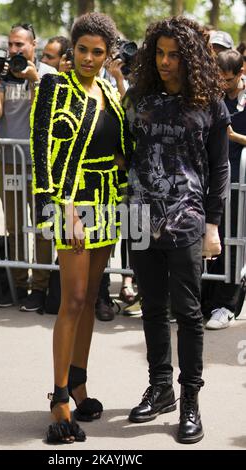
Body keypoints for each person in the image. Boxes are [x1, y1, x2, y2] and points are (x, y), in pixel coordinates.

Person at [124, 16, 230, 444]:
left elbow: (219, 167)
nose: (165, 62)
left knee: (188, 314)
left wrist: (213, 225)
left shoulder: (209, 102)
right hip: (138, 217)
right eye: (160, 53)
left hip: (187, 219)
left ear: (190, 58)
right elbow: (123, 153)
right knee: (151, 309)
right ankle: (161, 387)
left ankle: (190, 400)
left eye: (174, 55)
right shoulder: (137, 98)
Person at [31, 12, 132, 444]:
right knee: (71, 299)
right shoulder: (54, 86)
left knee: (91, 298)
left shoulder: (110, 89)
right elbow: (42, 150)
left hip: (108, 202)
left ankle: (79, 383)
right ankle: (58, 399)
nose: (89, 58)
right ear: (72, 50)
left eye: (98, 52)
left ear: (108, 55)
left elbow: (124, 147)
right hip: (71, 204)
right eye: (83, 50)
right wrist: (64, 208)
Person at [0, 23, 56, 312]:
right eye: (11, 44)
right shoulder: (2, 73)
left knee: (42, 227)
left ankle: (39, 288)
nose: (14, 50)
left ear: (34, 45)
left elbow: (48, 114)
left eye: (20, 45)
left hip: (40, 166)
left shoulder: (47, 74)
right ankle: (18, 283)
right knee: (14, 227)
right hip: (10, 163)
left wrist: (33, 80)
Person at [203, 50, 246, 329]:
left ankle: (228, 305)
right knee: (211, 242)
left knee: (233, 243)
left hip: (240, 182)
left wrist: (232, 135)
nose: (223, 84)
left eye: (228, 80)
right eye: (219, 79)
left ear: (241, 72)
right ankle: (207, 301)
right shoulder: (211, 98)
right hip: (214, 180)